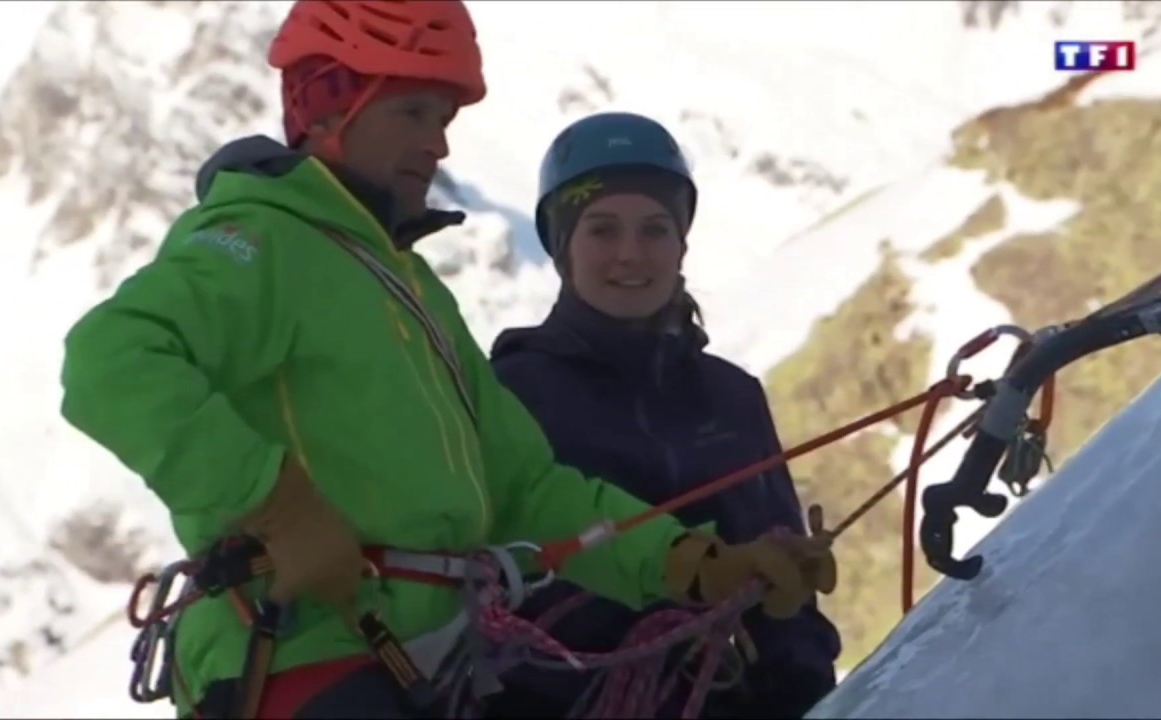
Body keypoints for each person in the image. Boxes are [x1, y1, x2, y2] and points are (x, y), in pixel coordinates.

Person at [58, 3, 836, 719]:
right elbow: (111, 360)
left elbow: (526, 487)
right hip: (301, 654)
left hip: (405, 663)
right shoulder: (264, 240)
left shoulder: (407, 283)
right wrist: (279, 504)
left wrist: (694, 564)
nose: (439, 141)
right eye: (412, 112)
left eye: (444, 116)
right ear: (329, 104)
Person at [484, 112, 841, 719]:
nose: (631, 254)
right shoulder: (512, 392)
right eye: (602, 230)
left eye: (654, 230)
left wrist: (805, 683)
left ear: (681, 244)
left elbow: (785, 595)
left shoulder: (732, 396)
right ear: (561, 246)